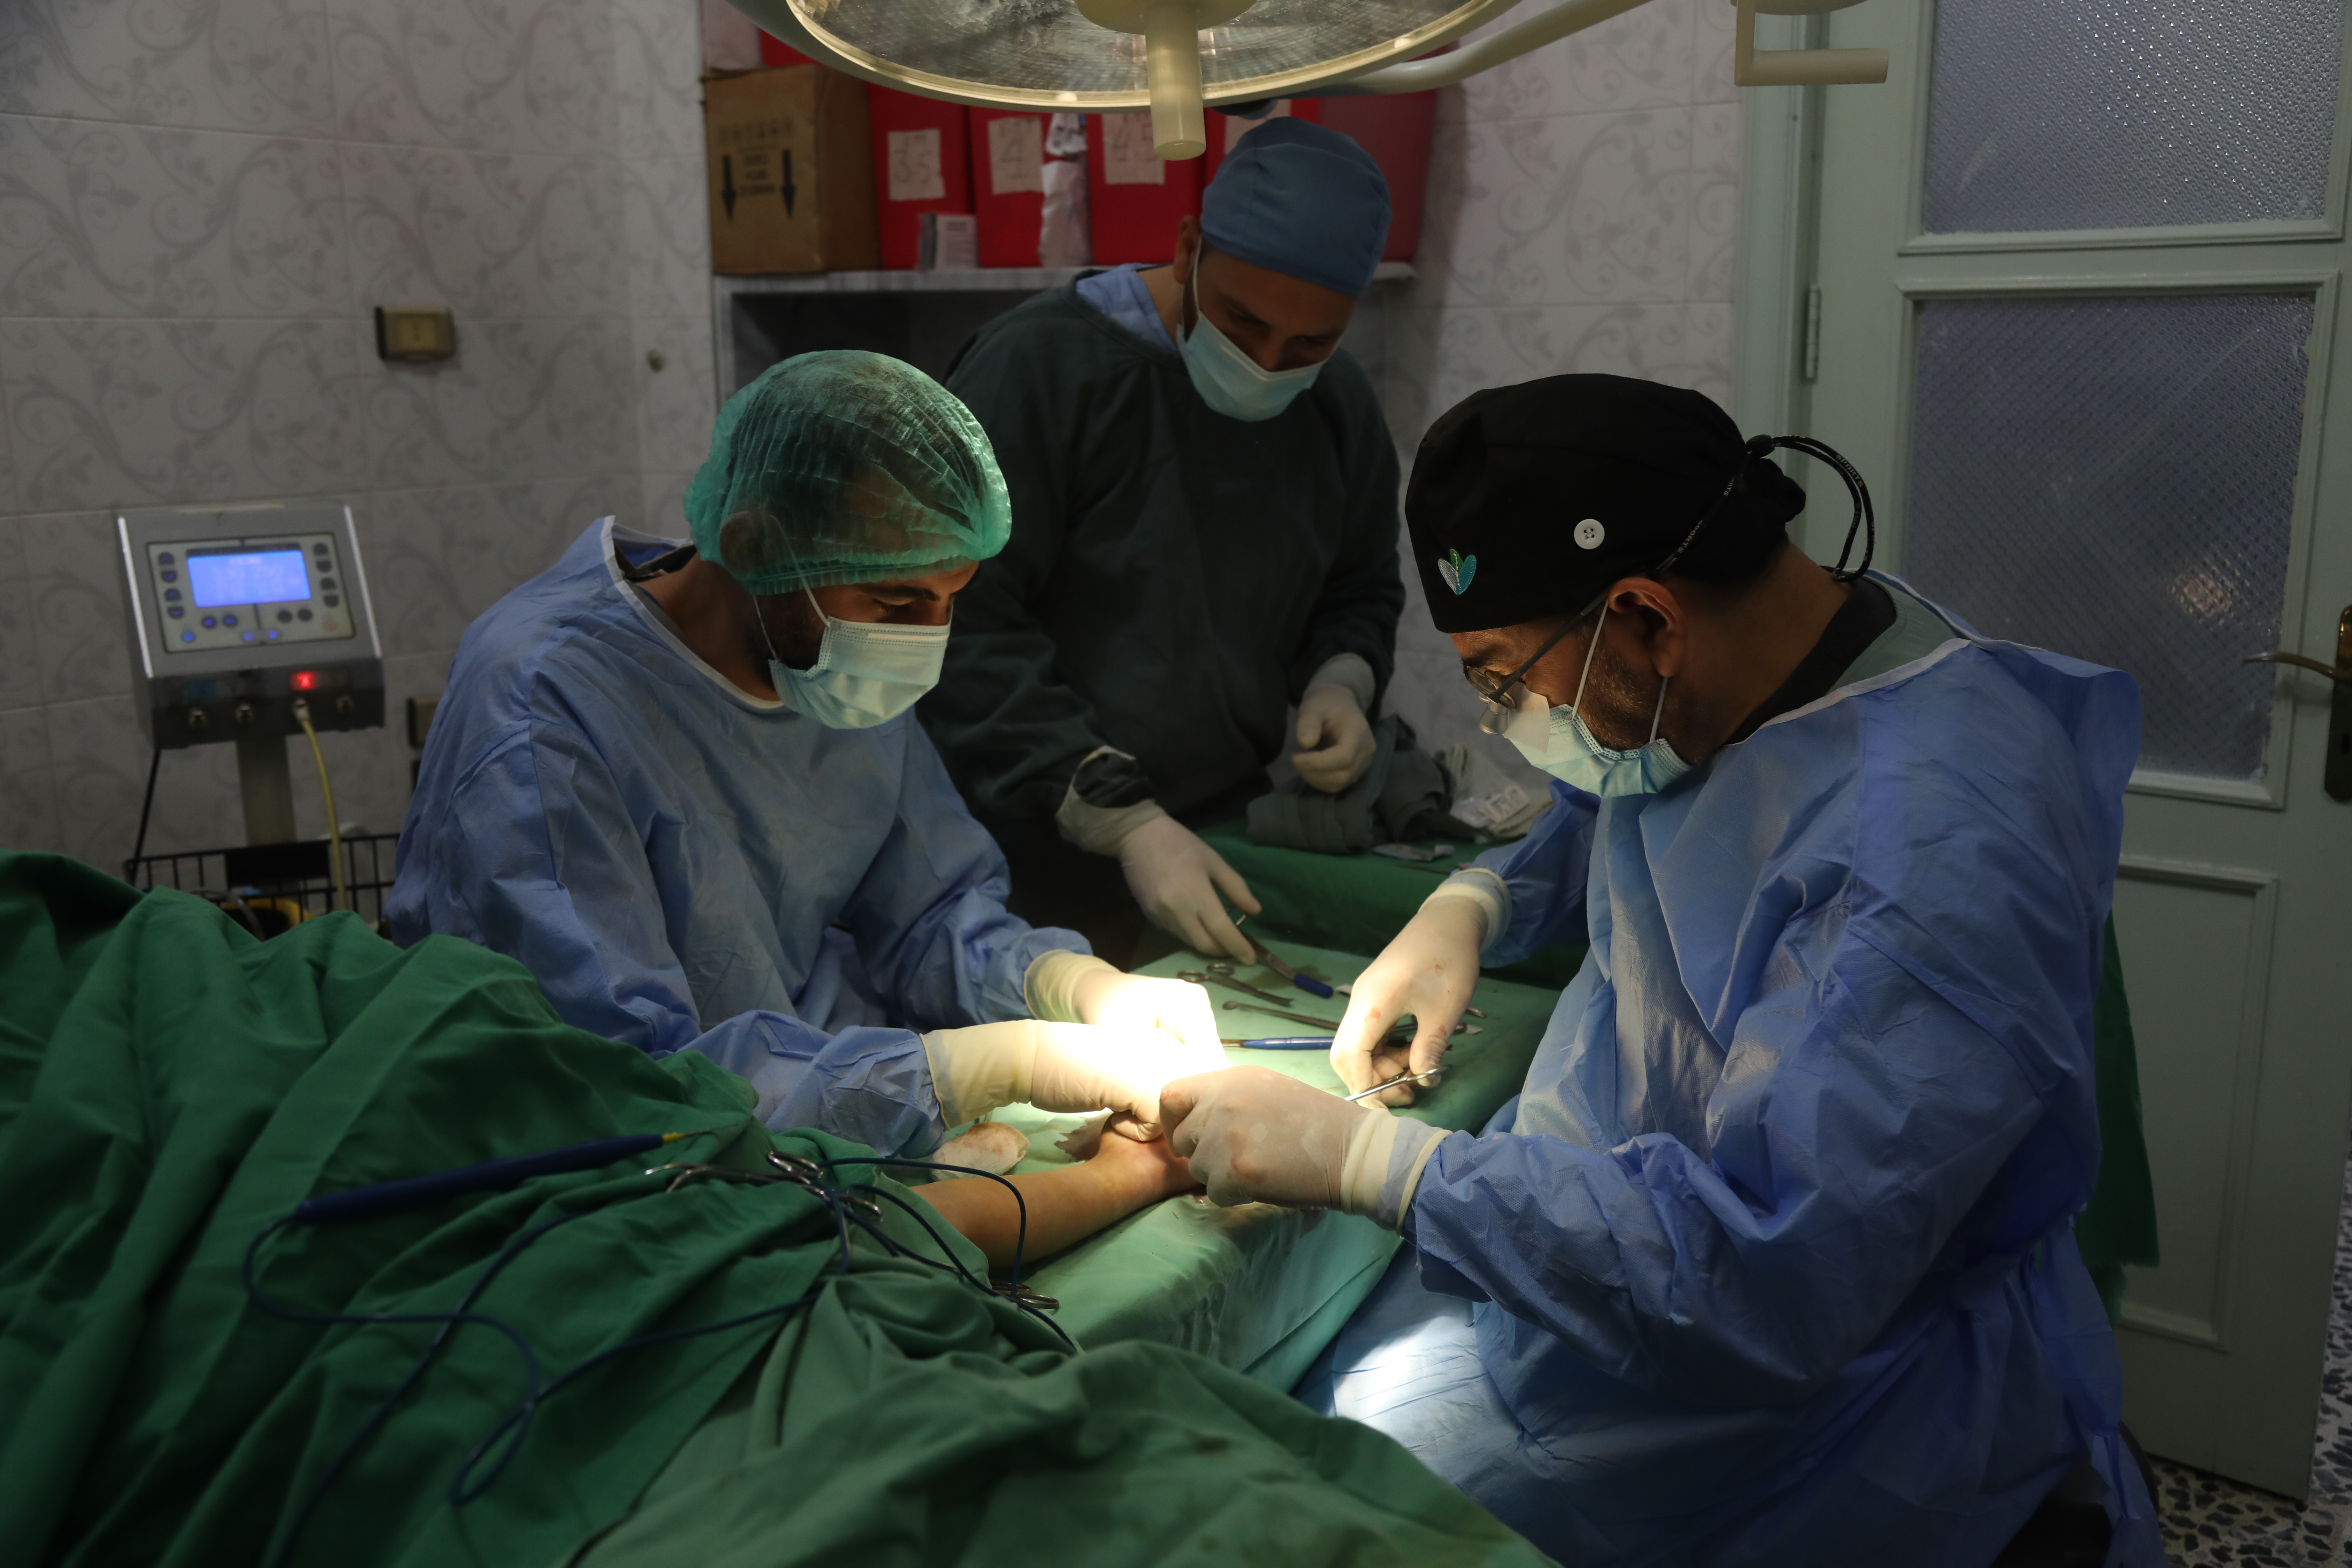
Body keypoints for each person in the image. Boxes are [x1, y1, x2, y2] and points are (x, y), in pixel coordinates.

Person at [1160, 375, 2165, 1566]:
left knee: (1306, 1522)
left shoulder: (1931, 857)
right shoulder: (1784, 648)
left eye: (1503, 680)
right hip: (1606, 1261)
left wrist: (1378, 1164)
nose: (1505, 720)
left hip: (1821, 1399)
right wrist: (1480, 898)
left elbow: (1771, 1279)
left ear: (1647, 616)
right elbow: (1655, 776)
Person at [388, 352, 1224, 1189]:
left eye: (953, 596)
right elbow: (626, 1080)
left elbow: (929, 911)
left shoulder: (827, 666)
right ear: (753, 546)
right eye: (896, 602)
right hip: (606, 1174)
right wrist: (981, 1068)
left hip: (804, 1110)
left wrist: (1066, 985)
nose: (926, 638)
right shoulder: (544, 705)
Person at [924, 116, 1408, 967]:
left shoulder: (1335, 405)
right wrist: (1126, 819)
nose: (1267, 362)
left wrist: (1341, 678)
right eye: (1241, 321)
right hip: (1018, 850)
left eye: (1310, 342)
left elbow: (1358, 585)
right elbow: (962, 624)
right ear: (1188, 248)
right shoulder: (1039, 370)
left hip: (1217, 835)